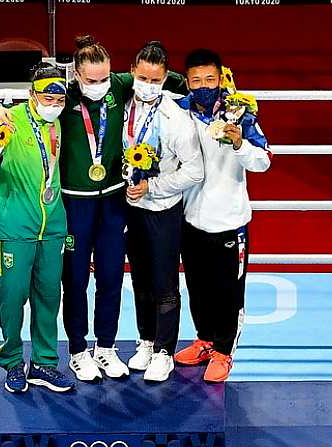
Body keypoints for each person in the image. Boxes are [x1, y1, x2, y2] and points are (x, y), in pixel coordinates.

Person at [0, 36, 187, 383]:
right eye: (90, 80)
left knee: (111, 278)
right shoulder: (62, 99)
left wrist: (204, 94)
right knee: (75, 280)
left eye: (104, 79)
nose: (99, 86)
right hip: (73, 204)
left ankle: (106, 348)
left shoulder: (122, 85)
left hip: (113, 203)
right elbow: (29, 106)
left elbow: (169, 79)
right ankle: (79, 351)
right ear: (76, 77)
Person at [0, 63, 75, 393]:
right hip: (14, 229)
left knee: (50, 297)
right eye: (46, 97)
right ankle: (12, 361)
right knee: (12, 299)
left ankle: (44, 363)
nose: (53, 104)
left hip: (52, 228)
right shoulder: (8, 121)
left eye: (59, 99)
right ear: (31, 95)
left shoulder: (62, 122)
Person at [173, 49, 272, 383]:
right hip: (190, 220)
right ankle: (204, 340)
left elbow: (263, 162)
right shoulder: (177, 112)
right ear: (186, 81)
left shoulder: (239, 112)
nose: (203, 86)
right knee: (197, 287)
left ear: (221, 78)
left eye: (210, 79)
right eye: (196, 80)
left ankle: (225, 351)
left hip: (230, 222)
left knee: (229, 292)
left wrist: (240, 142)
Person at [123, 41, 204, 382]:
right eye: (143, 78)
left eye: (156, 81)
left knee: (164, 282)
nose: (148, 86)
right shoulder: (120, 107)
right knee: (139, 278)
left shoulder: (176, 118)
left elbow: (194, 170)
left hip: (163, 210)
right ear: (132, 73)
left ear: (165, 78)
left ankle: (164, 351)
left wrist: (153, 187)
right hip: (129, 208)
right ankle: (145, 340)